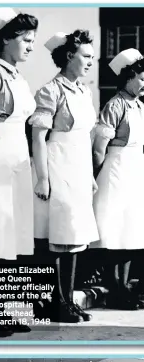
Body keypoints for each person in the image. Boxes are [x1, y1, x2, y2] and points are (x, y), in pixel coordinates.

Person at [30, 30, 99, 323]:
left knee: (75, 236)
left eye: (92, 58)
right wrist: (43, 178)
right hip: (57, 163)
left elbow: (86, 136)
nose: (90, 62)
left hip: (79, 166)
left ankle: (67, 301)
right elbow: (38, 136)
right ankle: (54, 303)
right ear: (69, 56)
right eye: (85, 56)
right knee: (58, 236)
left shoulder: (84, 91)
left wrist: (91, 176)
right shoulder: (50, 90)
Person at [0, 8, 38, 336]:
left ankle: (10, 312)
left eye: (33, 40)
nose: (30, 46)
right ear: (4, 40)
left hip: (16, 156)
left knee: (14, 239)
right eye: (25, 40)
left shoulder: (19, 76)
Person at [92, 49, 144, 309]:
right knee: (113, 233)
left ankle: (124, 288)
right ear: (129, 77)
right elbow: (99, 147)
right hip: (115, 170)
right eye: (142, 79)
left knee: (130, 233)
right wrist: (98, 176)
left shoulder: (140, 106)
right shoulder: (115, 105)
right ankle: (115, 290)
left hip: (134, 170)